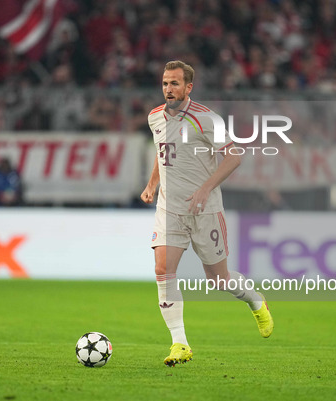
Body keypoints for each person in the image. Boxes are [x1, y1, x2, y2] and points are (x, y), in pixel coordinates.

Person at [141, 60, 273, 367]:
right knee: (163, 270)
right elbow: (163, 155)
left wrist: (204, 189)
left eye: (174, 83)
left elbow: (234, 157)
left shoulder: (206, 119)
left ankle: (256, 301)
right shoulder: (154, 117)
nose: (168, 89)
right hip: (169, 209)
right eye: (164, 83)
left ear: (188, 87)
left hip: (205, 210)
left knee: (219, 279)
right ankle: (180, 343)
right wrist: (151, 185)